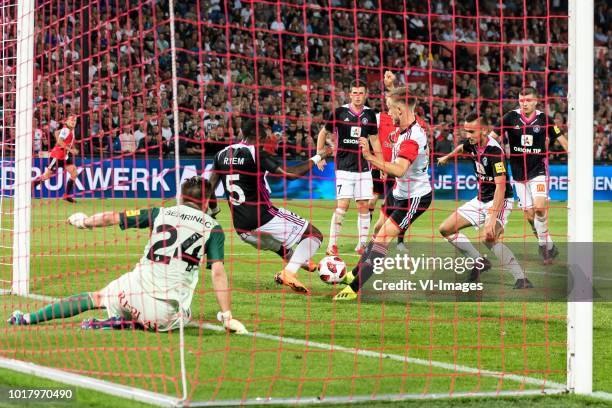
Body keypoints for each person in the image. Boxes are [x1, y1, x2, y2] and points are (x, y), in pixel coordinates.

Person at [8, 177, 247, 333]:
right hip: (160, 315)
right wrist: (226, 316)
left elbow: (112, 217)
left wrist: (82, 222)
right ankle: (126, 323)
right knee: (186, 314)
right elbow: (217, 271)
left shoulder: (160, 213)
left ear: (181, 197)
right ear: (206, 201)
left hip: (130, 292)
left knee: (96, 297)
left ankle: (27, 319)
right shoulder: (213, 228)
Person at [208, 118, 331, 294]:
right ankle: (289, 273)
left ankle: (301, 261)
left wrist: (213, 210)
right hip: (263, 216)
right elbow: (291, 174)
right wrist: (321, 155)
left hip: (241, 229)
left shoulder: (221, 155)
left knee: (279, 247)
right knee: (315, 235)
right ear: (258, 135)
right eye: (265, 134)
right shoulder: (255, 153)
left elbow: (209, 187)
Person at [334, 87, 432, 300]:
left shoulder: (413, 137)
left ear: (398, 109)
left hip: (415, 197)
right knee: (378, 228)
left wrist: (370, 157)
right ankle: (353, 273)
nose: (387, 114)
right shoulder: (403, 130)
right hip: (398, 192)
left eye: (389, 109)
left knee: (383, 237)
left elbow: (399, 169)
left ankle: (354, 289)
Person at [437, 113, 532, 289]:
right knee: (445, 229)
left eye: (472, 131)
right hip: (481, 198)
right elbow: (461, 147)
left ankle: (521, 279)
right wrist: (447, 157)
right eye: (466, 131)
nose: (468, 135)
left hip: (500, 199)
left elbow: (501, 187)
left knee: (488, 237)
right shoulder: (471, 143)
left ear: (485, 130)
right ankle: (479, 261)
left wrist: (491, 217)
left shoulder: (495, 151)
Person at [491, 87, 568, 263]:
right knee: (530, 216)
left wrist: (574, 154)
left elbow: (562, 139)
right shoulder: (510, 117)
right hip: (518, 173)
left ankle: (544, 248)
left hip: (538, 170)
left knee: (540, 208)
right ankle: (548, 246)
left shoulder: (544, 119)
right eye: (521, 100)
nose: (524, 103)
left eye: (528, 100)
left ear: (535, 101)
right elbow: (492, 137)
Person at [316, 80, 382, 256]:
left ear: (365, 94)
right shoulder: (340, 112)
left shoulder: (370, 115)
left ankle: (361, 245)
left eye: (361, 93)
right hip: (344, 167)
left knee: (363, 205)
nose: (358, 96)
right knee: (342, 205)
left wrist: (381, 164)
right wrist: (319, 156)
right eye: (355, 93)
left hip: (364, 168)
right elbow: (324, 132)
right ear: (350, 94)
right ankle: (332, 245)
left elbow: (375, 140)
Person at [32, 114, 80, 203]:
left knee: (74, 173)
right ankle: (29, 188)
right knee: (46, 176)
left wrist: (72, 148)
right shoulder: (66, 130)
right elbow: (59, 141)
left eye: (75, 121)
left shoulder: (70, 130)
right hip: (57, 156)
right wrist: (71, 150)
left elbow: (56, 133)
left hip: (65, 156)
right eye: (71, 120)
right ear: (67, 121)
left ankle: (66, 195)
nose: (73, 122)